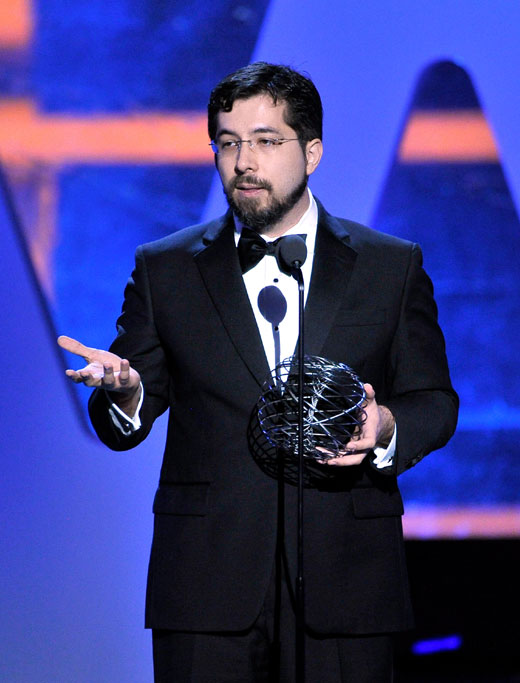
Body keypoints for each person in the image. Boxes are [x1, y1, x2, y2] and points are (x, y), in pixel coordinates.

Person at [58, 62, 458, 682]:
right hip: (205, 583)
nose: (244, 161)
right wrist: (129, 392)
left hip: (349, 577)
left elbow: (434, 401)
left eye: (267, 141)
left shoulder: (390, 267)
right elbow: (125, 419)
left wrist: (384, 427)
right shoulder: (165, 270)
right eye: (228, 142)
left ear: (313, 152)